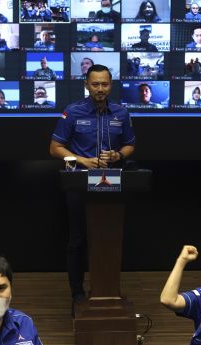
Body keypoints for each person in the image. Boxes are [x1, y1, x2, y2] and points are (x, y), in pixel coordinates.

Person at [49, 64, 136, 308]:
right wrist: (83, 160)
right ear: (86, 85)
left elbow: (130, 145)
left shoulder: (121, 113)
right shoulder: (73, 112)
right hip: (80, 183)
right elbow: (55, 148)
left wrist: (118, 156)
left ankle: (107, 290)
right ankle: (77, 292)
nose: (100, 89)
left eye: (104, 84)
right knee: (78, 239)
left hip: (112, 184)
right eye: (95, 84)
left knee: (109, 238)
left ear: (111, 85)